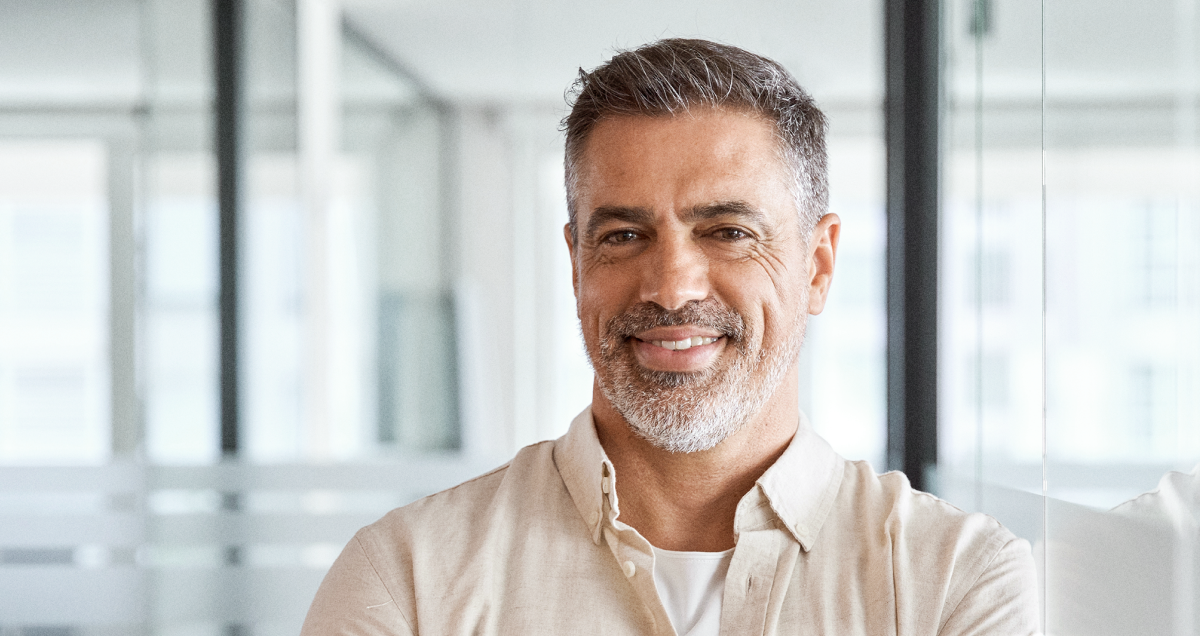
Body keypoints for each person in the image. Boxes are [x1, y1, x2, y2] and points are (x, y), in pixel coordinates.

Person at [300, 38, 1038, 635]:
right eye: (623, 234)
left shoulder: (953, 579)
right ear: (577, 263)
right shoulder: (408, 579)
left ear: (817, 265)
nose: (672, 285)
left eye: (727, 231)